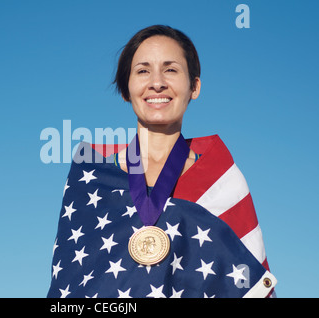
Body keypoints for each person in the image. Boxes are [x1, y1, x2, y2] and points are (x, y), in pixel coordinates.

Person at [47, 25, 276, 298]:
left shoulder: (221, 179)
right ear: (125, 88)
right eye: (143, 70)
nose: (157, 82)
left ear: (194, 86)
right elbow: (71, 286)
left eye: (171, 69)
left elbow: (245, 285)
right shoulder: (91, 177)